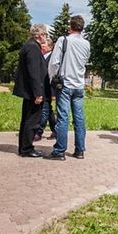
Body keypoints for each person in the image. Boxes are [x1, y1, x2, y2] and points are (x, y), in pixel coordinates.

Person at [45, 15, 91, 160]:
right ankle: (80, 150)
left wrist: (52, 78)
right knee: (79, 118)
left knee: (63, 117)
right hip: (79, 84)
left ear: (70, 27)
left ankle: (59, 150)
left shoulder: (63, 40)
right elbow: (85, 61)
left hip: (64, 84)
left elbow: (54, 62)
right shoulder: (86, 43)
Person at [13, 23, 48, 158]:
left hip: (28, 91)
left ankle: (24, 147)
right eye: (45, 34)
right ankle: (27, 148)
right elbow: (34, 72)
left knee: (27, 119)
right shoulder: (33, 48)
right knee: (32, 120)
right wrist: (38, 93)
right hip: (32, 92)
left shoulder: (29, 45)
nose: (46, 37)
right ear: (39, 35)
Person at [34, 37, 56, 141]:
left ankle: (38, 132)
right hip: (42, 87)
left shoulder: (51, 57)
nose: (41, 47)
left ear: (50, 47)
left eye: (44, 45)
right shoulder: (42, 56)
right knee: (48, 111)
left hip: (48, 88)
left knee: (44, 110)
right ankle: (56, 130)